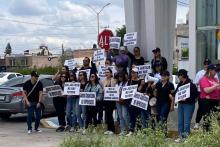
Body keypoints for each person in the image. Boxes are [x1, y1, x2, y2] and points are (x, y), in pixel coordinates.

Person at [175, 69, 198, 142]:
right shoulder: (180, 84)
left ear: (182, 75)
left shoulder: (191, 84)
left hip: (188, 105)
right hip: (181, 104)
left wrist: (186, 99)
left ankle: (186, 138)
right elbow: (176, 93)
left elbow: (196, 95)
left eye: (179, 75)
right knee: (180, 121)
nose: (178, 77)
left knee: (186, 122)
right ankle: (181, 136)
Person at [126, 67, 149, 136]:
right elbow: (128, 91)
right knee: (131, 116)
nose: (133, 74)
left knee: (138, 116)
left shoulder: (141, 81)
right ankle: (131, 130)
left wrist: (141, 85)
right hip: (130, 101)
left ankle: (138, 131)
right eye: (132, 72)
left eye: (134, 73)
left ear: (137, 73)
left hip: (138, 102)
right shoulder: (129, 81)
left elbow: (139, 91)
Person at [199, 64, 220, 131]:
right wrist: (216, 86)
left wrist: (217, 86)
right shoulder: (203, 79)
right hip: (207, 101)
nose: (216, 72)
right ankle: (207, 135)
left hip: (216, 101)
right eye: (215, 70)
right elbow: (206, 90)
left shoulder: (215, 79)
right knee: (207, 120)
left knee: (216, 119)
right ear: (210, 70)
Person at [193, 58, 211, 129]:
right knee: (201, 108)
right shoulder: (200, 73)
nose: (206, 65)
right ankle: (197, 122)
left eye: (208, 64)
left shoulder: (212, 73)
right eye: (205, 64)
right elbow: (195, 83)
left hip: (210, 93)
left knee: (209, 109)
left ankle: (206, 123)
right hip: (201, 92)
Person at [102, 68, 117, 135]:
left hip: (112, 100)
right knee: (107, 115)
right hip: (106, 100)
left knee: (110, 114)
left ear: (111, 73)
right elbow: (103, 90)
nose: (106, 73)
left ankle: (112, 130)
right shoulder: (103, 81)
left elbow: (115, 89)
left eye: (108, 72)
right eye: (106, 72)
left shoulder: (114, 80)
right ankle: (108, 129)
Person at [115, 71, 129, 136]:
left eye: (121, 76)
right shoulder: (117, 84)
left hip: (124, 101)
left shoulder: (126, 83)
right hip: (117, 101)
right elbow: (114, 92)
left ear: (123, 77)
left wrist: (123, 98)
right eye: (118, 77)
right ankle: (123, 130)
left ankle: (128, 129)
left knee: (124, 115)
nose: (120, 78)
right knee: (120, 116)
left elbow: (127, 92)